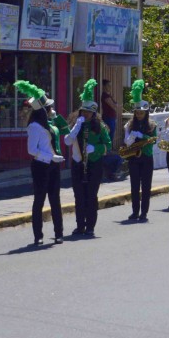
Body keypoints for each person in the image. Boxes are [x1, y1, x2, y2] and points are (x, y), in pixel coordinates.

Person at [18, 80, 64, 246]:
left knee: (55, 200)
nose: (52, 110)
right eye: (49, 108)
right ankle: (38, 235)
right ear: (43, 110)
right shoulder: (34, 126)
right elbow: (32, 150)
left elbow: (64, 131)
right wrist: (50, 157)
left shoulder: (50, 124)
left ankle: (59, 233)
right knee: (39, 200)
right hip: (40, 166)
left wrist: (57, 119)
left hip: (53, 165)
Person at [64, 79, 111, 236]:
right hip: (78, 163)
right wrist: (76, 126)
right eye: (83, 111)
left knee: (91, 196)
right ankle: (80, 225)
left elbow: (108, 145)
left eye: (89, 112)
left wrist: (95, 148)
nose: (86, 114)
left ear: (94, 113)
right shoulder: (76, 124)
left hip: (94, 164)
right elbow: (67, 141)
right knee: (79, 196)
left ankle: (90, 226)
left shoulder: (100, 127)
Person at [123, 80, 157, 221]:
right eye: (137, 113)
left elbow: (153, 140)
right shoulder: (130, 125)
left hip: (147, 157)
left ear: (146, 113)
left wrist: (142, 136)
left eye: (141, 113)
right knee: (134, 186)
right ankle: (135, 211)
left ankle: (144, 213)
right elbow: (126, 142)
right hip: (134, 158)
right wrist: (130, 136)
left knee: (146, 186)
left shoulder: (152, 125)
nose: (139, 115)